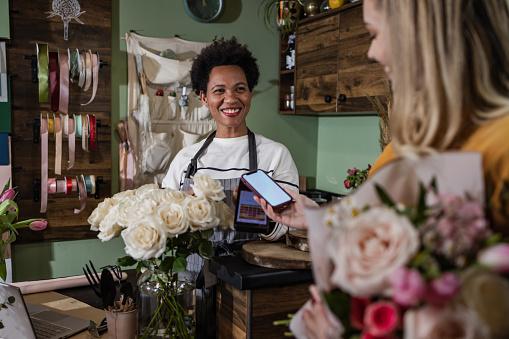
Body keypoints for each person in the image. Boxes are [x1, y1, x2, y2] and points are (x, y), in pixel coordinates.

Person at [255, 0, 509, 337]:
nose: (372, 52)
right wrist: (317, 214)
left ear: (421, 35)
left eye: (374, 33)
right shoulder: (407, 145)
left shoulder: (501, 146)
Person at [161, 37, 299, 338]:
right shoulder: (186, 159)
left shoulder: (275, 155)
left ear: (250, 93)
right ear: (203, 97)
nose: (230, 99)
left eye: (240, 88)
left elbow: (286, 228)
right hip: (193, 287)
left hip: (250, 286)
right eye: (219, 90)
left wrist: (253, 213)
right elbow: (164, 225)